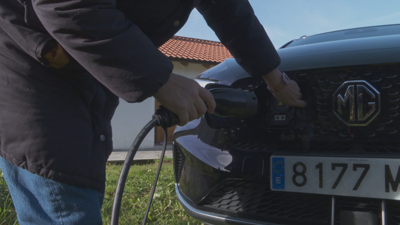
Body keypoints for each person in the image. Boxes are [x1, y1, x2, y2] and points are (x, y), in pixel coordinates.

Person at [0, 0, 305, 224]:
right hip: (32, 63)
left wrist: (276, 82)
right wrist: (160, 79)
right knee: (64, 186)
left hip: (87, 62)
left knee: (82, 164)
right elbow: (65, 4)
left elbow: (233, 14)